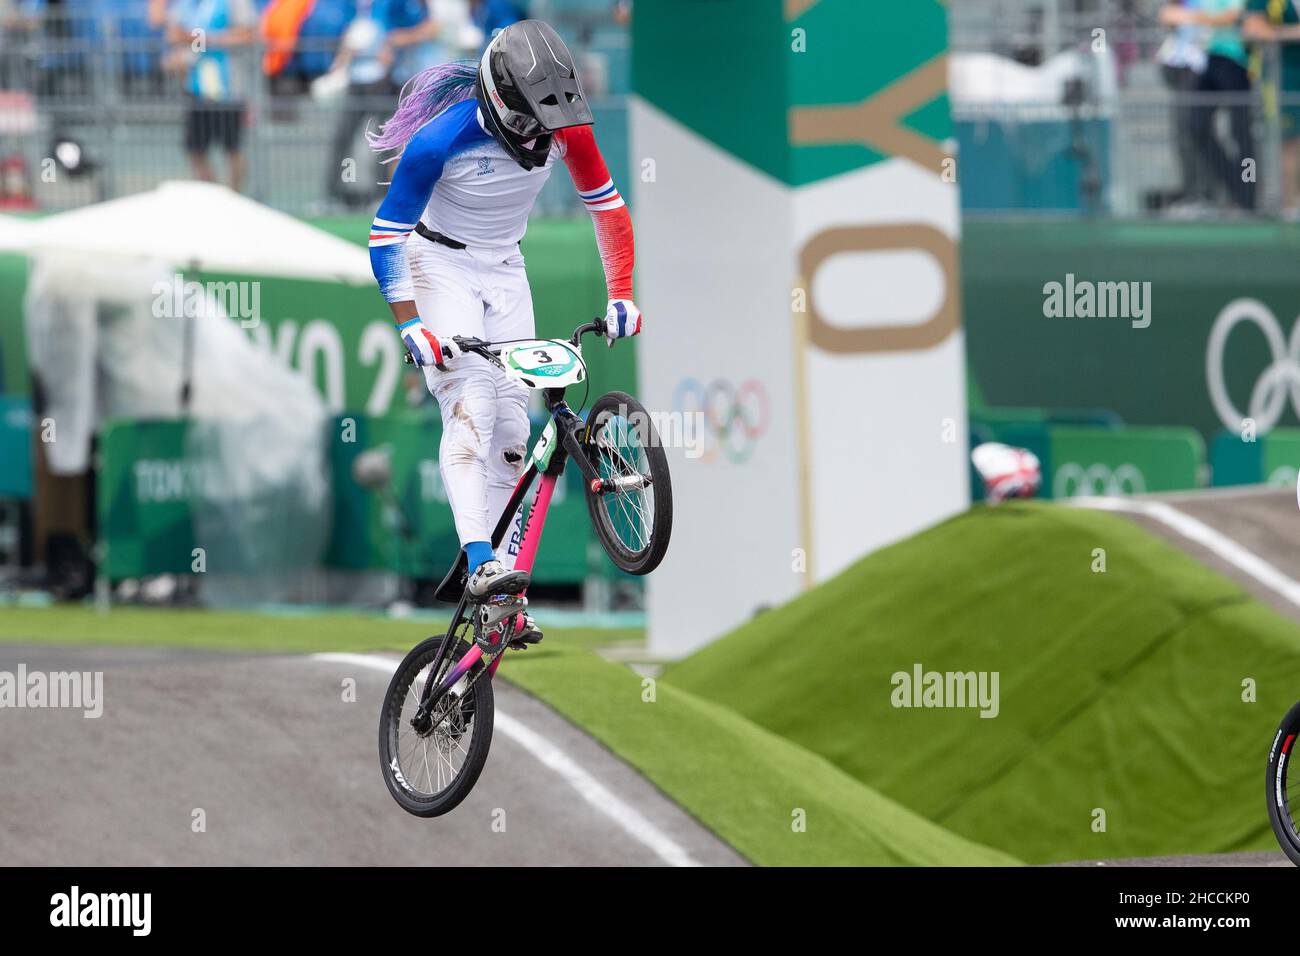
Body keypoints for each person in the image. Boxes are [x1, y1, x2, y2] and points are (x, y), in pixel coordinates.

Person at [366, 19, 640, 644]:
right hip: (438, 263)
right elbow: (386, 237)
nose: (544, 141)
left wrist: (621, 295)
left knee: (516, 432)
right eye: (531, 127)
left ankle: (502, 591)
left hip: (506, 265)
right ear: (500, 104)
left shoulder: (565, 129)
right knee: (472, 405)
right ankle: (477, 558)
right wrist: (411, 325)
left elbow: (609, 209)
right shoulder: (440, 142)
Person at [323, 0, 440, 207]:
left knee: (383, 140)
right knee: (344, 138)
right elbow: (351, 35)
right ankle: (334, 195)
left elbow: (427, 27)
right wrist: (340, 63)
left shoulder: (394, 5)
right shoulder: (353, 6)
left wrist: (394, 42)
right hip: (357, 78)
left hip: (385, 79)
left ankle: (380, 195)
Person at [1161, 0, 1255, 210]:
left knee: (1241, 133)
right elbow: (1171, 14)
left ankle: (1249, 197)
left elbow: (1230, 16)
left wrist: (1188, 16)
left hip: (1235, 61)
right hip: (1209, 60)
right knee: (1196, 126)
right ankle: (1237, 189)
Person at [165, 0, 257, 192]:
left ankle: (234, 196)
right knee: (195, 148)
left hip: (229, 88)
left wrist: (203, 40)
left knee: (232, 147)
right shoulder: (185, 5)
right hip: (197, 86)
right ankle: (214, 194)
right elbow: (176, 35)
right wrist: (180, 54)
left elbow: (248, 34)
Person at [1244, 0, 1300, 212]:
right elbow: (1252, 28)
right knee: (1290, 145)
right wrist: (1292, 32)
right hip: (1284, 81)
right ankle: (1289, 209)